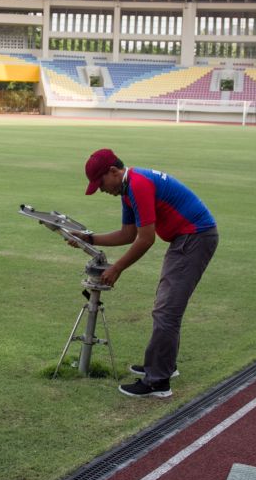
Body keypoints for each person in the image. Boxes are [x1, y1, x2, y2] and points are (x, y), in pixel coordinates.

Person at [72, 148, 218, 399]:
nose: (102, 190)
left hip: (195, 238)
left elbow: (146, 239)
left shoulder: (138, 185)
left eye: (101, 183)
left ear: (114, 172)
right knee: (165, 307)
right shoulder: (128, 188)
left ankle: (158, 381)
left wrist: (117, 268)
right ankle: (162, 366)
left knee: (167, 310)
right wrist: (88, 238)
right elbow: (127, 234)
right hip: (186, 238)